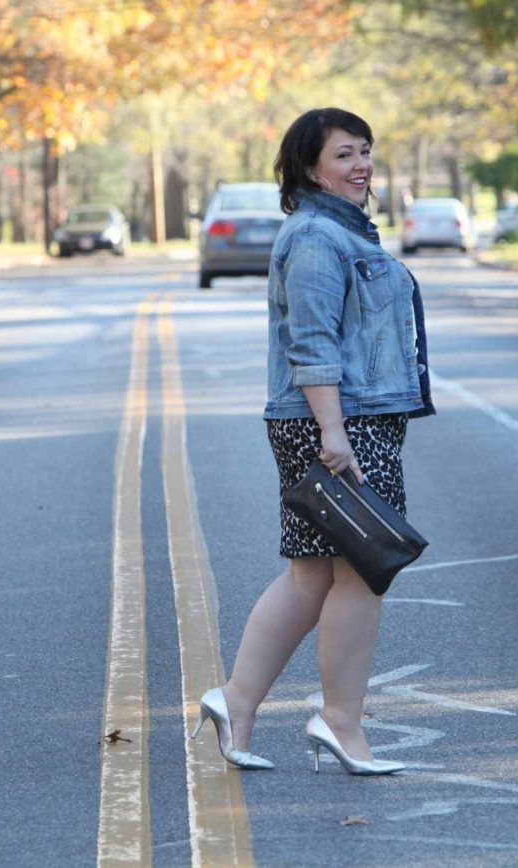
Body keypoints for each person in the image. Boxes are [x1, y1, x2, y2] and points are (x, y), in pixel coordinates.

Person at [191, 107, 435, 775]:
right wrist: (334, 433)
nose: (361, 166)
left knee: (312, 576)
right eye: (344, 155)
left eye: (365, 152)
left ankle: (235, 701)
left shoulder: (338, 230)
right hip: (336, 420)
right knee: (364, 571)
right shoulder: (317, 239)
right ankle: (340, 723)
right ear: (308, 168)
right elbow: (311, 342)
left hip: (339, 418)